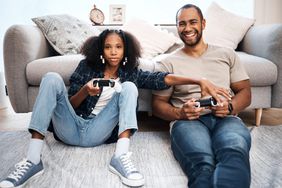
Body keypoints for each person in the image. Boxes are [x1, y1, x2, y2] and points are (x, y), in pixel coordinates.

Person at [0, 29, 229, 188]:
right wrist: (84, 92)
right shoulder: (86, 67)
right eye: (108, 47)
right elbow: (67, 106)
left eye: (118, 47)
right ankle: (32, 159)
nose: (113, 52)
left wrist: (198, 80)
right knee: (50, 77)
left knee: (129, 87)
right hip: (69, 129)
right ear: (101, 49)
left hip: (99, 132)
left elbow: (162, 79)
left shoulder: (131, 72)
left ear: (125, 50)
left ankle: (120, 157)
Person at [152, 4, 252, 188]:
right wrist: (180, 113)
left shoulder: (226, 54)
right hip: (188, 122)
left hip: (227, 118)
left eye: (193, 22)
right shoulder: (167, 63)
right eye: (182, 24)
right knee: (202, 163)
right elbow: (157, 104)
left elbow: (245, 92)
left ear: (203, 24)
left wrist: (230, 107)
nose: (187, 28)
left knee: (234, 152)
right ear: (177, 27)